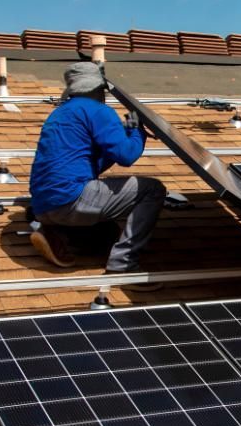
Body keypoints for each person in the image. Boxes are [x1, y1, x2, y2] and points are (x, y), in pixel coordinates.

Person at [28, 61, 166, 275]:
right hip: (71, 199)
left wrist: (125, 133)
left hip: (42, 206)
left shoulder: (60, 113)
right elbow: (126, 156)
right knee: (153, 189)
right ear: (98, 88)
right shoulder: (99, 111)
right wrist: (138, 131)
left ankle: (56, 234)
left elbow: (89, 162)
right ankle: (124, 263)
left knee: (108, 233)